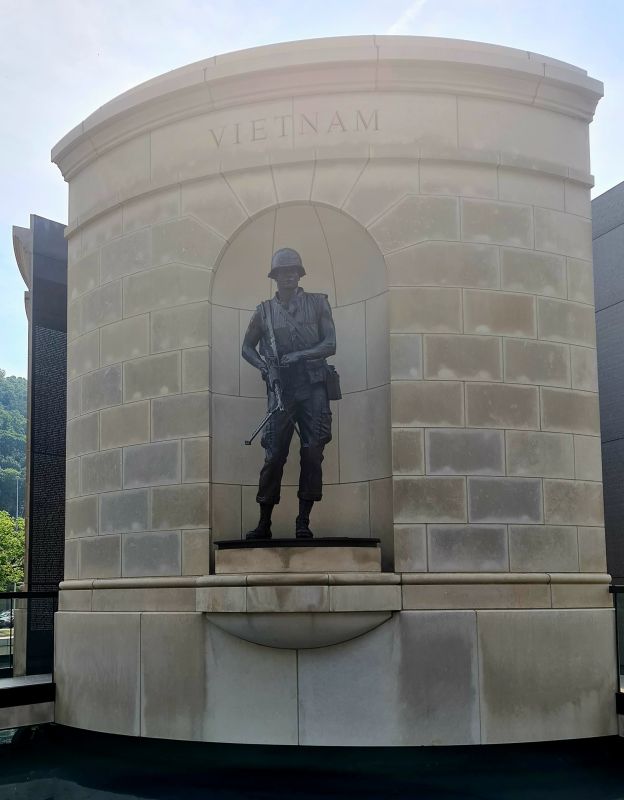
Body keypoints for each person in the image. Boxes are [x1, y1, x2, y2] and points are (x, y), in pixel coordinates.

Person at [241, 247, 337, 539]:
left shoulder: (319, 303)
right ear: (275, 277)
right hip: (281, 388)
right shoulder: (264, 311)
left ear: (300, 274)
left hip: (313, 385)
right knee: (274, 454)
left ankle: (303, 521)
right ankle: (264, 523)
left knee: (312, 452)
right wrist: (263, 367)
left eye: (294, 270)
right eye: (283, 272)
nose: (289, 276)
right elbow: (246, 348)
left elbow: (330, 344)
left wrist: (300, 356)